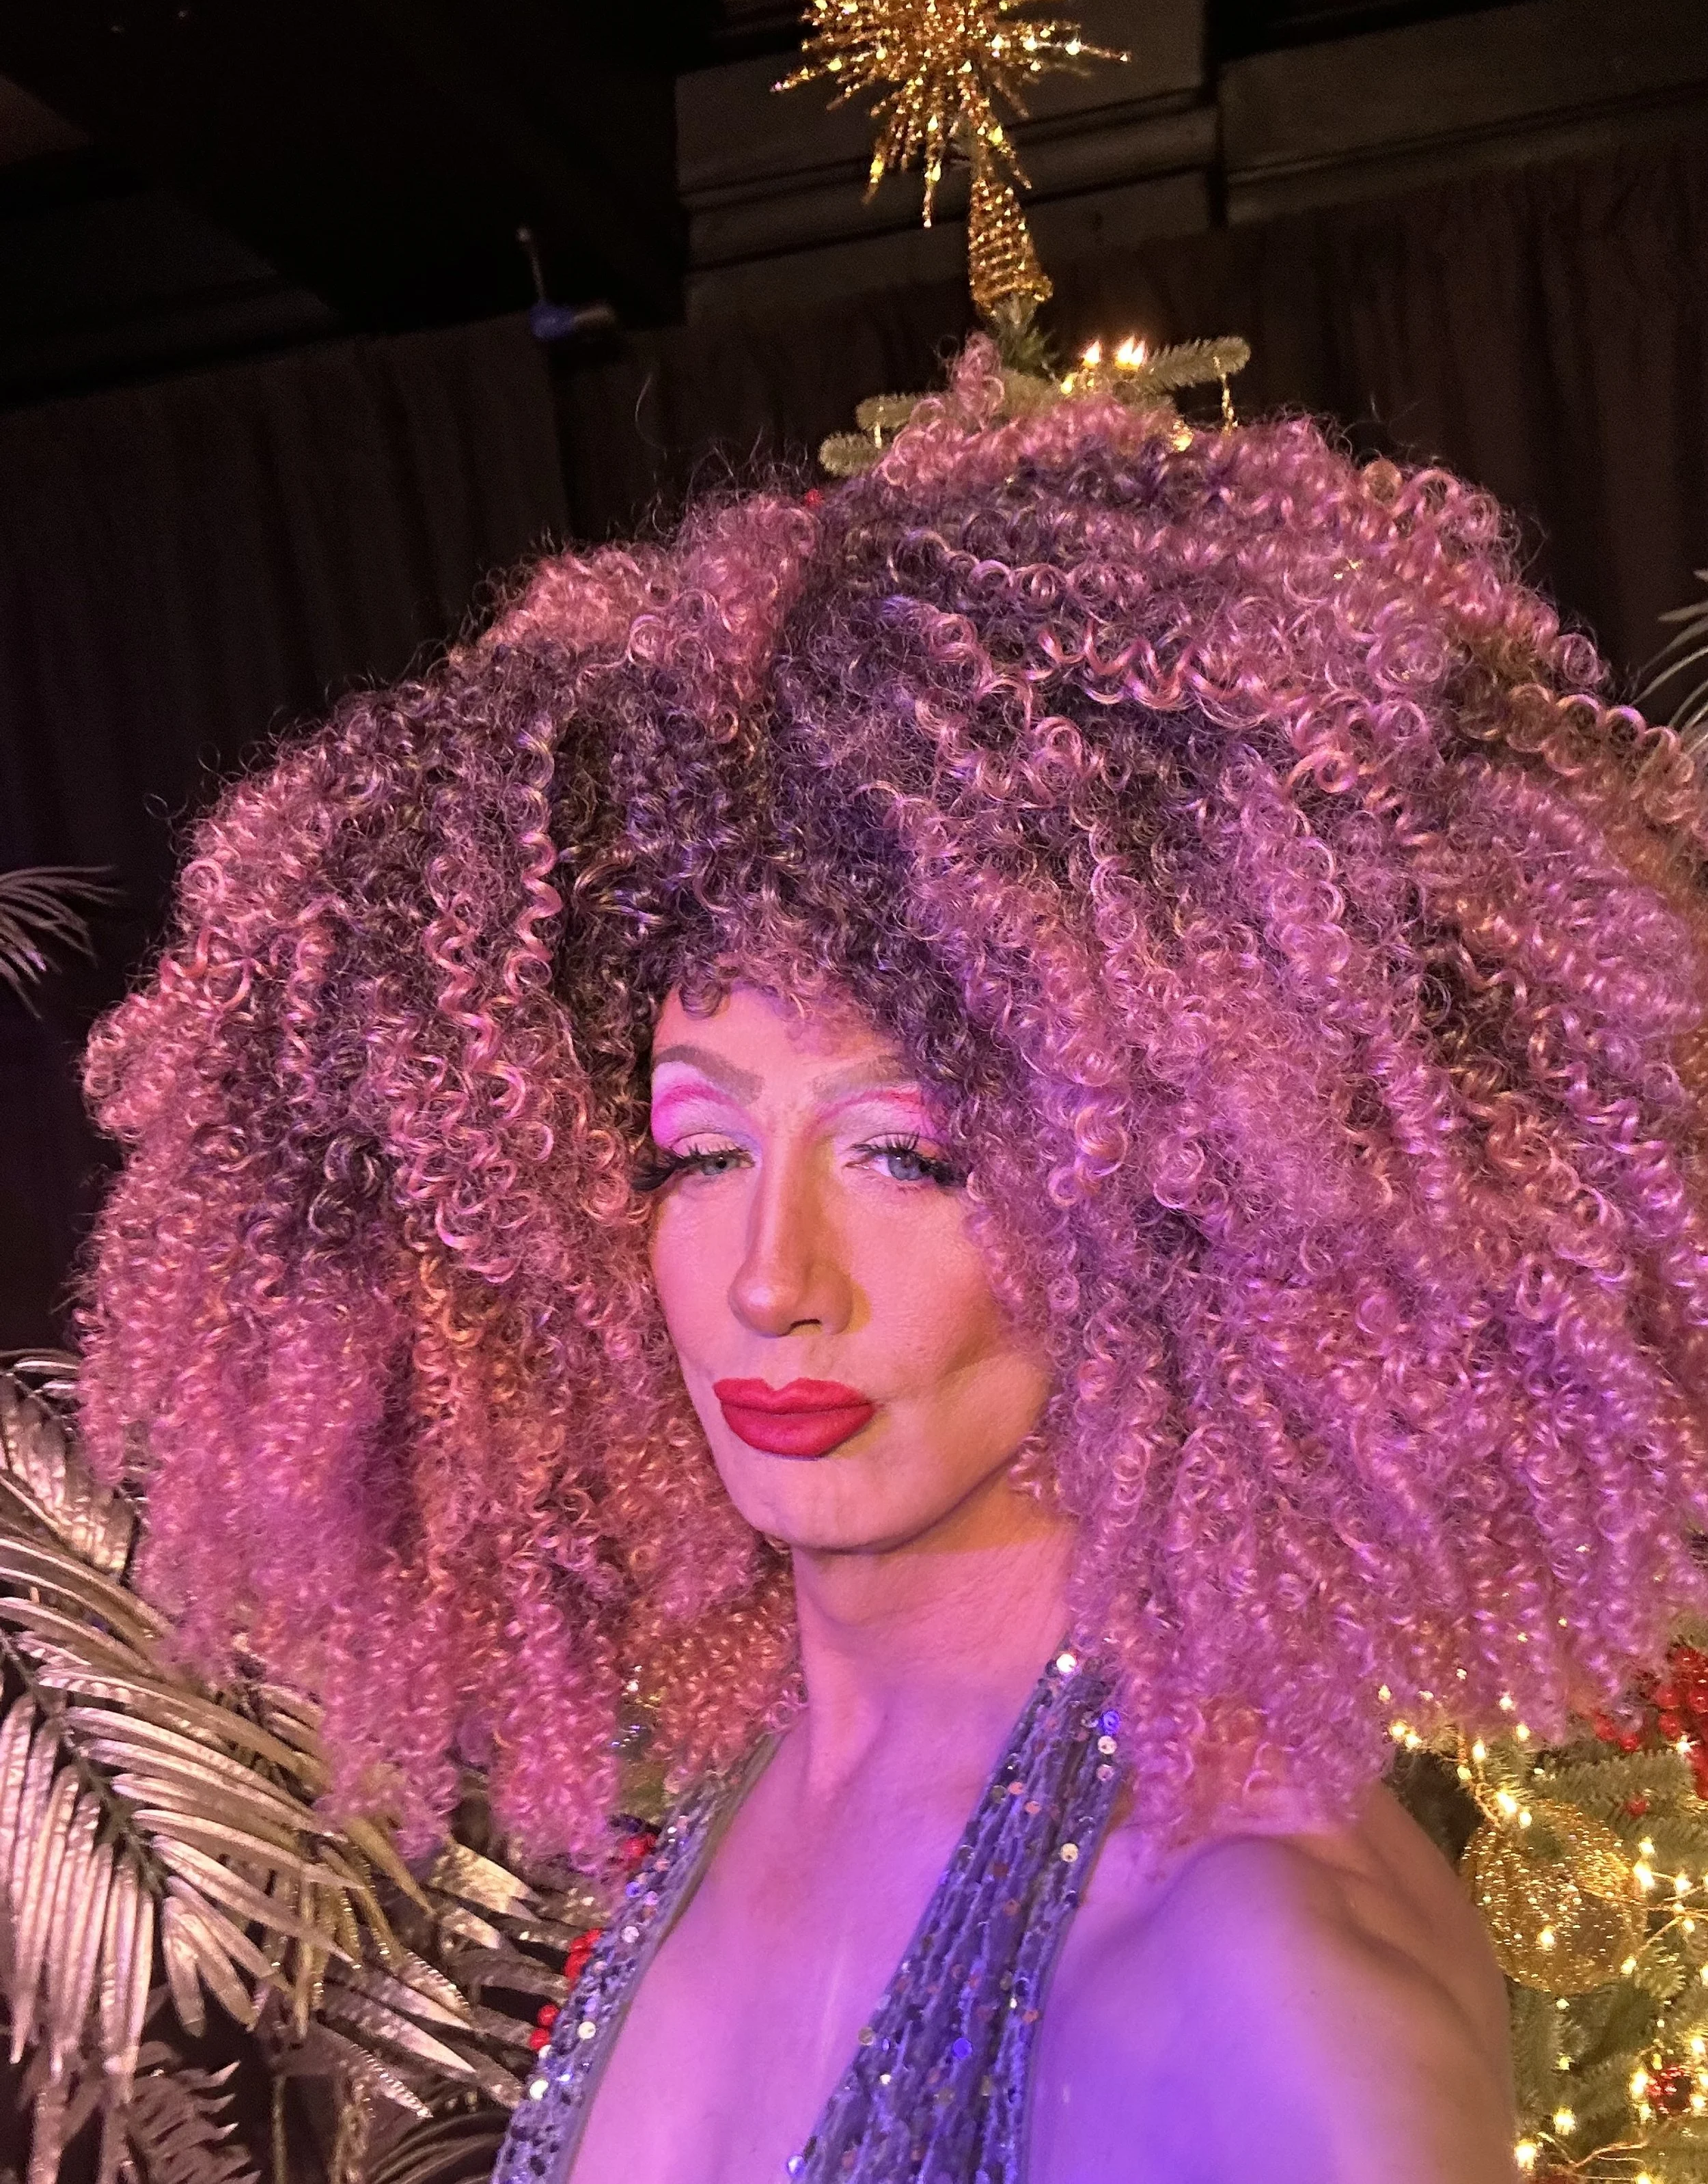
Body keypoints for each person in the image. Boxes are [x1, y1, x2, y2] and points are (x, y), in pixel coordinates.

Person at [73, 335, 1708, 2182]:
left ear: (1172, 1193)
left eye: (908, 1152)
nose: (775, 1276)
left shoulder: (1250, 1984)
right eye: (698, 1147)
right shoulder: (732, 1811)